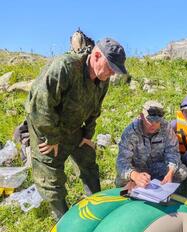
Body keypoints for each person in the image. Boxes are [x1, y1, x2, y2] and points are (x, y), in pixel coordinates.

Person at [25, 38, 127, 220]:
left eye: (115, 70)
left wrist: (88, 135)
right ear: (96, 55)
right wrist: (52, 138)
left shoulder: (103, 80)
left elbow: (95, 110)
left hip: (72, 126)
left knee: (88, 158)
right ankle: (62, 220)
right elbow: (40, 105)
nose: (112, 73)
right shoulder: (65, 67)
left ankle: (96, 205)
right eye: (110, 67)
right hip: (45, 126)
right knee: (51, 177)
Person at [116, 101, 187, 188]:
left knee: (181, 171)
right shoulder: (131, 131)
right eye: (149, 120)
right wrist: (135, 176)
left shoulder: (166, 128)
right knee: (122, 180)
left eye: (157, 121)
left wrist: (170, 172)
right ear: (142, 116)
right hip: (137, 169)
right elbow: (121, 162)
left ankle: (164, 188)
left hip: (156, 167)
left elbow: (172, 152)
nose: (153, 124)